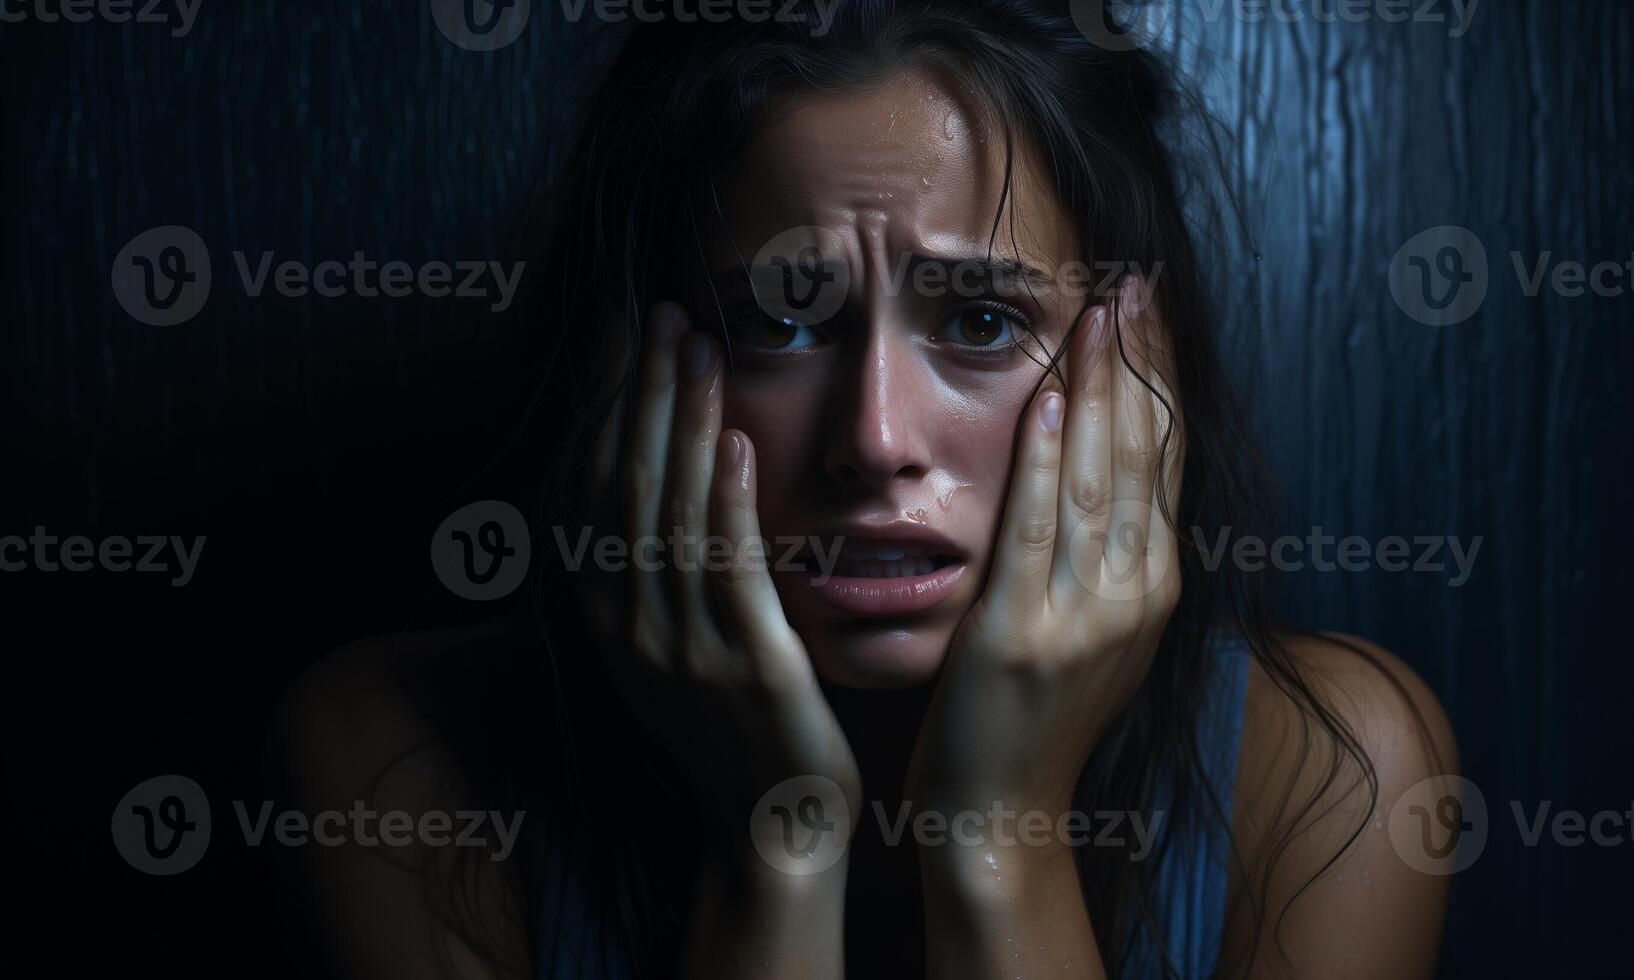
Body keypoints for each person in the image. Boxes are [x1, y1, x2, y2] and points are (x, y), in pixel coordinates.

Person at [274, 3, 1457, 977]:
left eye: (982, 320)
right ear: (627, 374)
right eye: (779, 324)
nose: (874, 439)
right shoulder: (399, 767)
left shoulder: (1328, 771)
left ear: (1135, 383)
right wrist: (772, 850)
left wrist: (1001, 842)